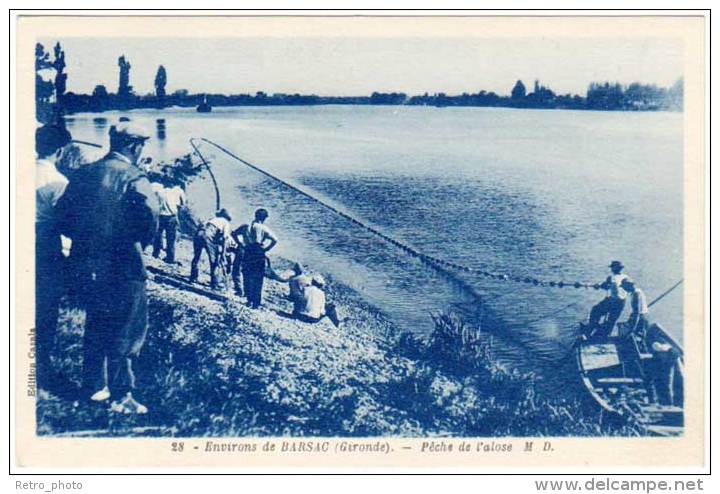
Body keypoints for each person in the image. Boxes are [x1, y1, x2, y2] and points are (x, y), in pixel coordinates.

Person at [56, 124, 159, 414]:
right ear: (135, 146)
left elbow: (63, 215)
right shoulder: (135, 178)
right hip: (123, 262)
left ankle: (93, 386)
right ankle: (121, 394)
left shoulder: (83, 174)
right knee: (127, 327)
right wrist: (135, 239)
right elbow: (149, 217)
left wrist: (83, 238)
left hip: (86, 262)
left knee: (96, 321)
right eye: (142, 146)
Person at [35, 123, 72, 389]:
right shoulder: (58, 182)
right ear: (60, 151)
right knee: (45, 306)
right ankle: (40, 366)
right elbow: (66, 223)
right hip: (44, 246)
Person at [242, 208, 278, 309]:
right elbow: (275, 239)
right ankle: (256, 302)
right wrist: (266, 249)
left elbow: (240, 235)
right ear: (264, 218)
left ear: (255, 215)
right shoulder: (263, 228)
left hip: (248, 251)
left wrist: (243, 245)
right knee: (258, 277)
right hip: (258, 252)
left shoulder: (248, 226)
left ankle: (249, 299)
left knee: (247, 275)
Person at [189, 208, 232, 290]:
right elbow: (225, 238)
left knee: (196, 257)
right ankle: (214, 283)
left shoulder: (212, 219)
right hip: (207, 235)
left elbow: (201, 225)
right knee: (214, 261)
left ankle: (193, 278)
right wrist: (223, 253)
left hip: (198, 233)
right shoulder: (226, 223)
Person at [587, 260, 629, 338]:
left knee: (595, 310)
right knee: (612, 320)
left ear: (613, 269)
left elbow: (604, 286)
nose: (611, 269)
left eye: (612, 268)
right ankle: (604, 334)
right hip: (622, 302)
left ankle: (592, 327)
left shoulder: (611, 278)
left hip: (613, 301)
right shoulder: (625, 277)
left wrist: (597, 286)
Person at [152, 179, 186, 264]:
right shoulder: (177, 192)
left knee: (158, 235)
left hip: (161, 216)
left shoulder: (159, 191)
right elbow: (182, 205)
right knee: (170, 238)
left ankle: (156, 253)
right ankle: (170, 258)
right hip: (171, 217)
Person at [229, 223, 249, 295]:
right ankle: (247, 292)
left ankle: (239, 290)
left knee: (236, 270)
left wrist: (239, 243)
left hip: (242, 250)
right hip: (253, 251)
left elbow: (233, 233)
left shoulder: (246, 227)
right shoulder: (260, 228)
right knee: (247, 272)